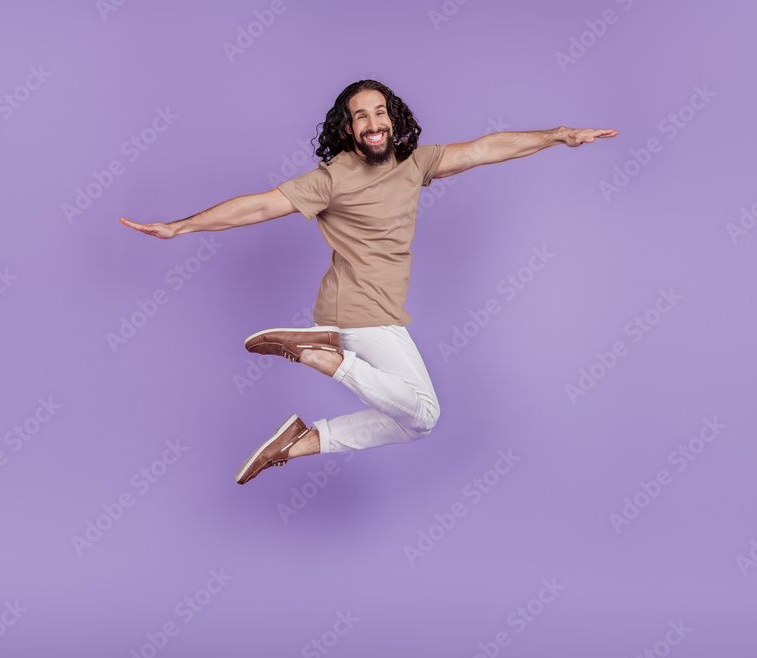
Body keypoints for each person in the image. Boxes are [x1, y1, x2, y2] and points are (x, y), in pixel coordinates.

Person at [120, 79, 617, 484]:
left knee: (412, 422)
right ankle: (323, 358)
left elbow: (485, 148)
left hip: (379, 312)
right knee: (424, 413)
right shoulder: (331, 178)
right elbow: (259, 205)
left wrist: (557, 134)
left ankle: (302, 440)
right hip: (356, 311)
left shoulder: (415, 163)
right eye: (361, 116)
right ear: (348, 128)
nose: (374, 123)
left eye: (379, 112)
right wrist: (181, 226)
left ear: (392, 118)